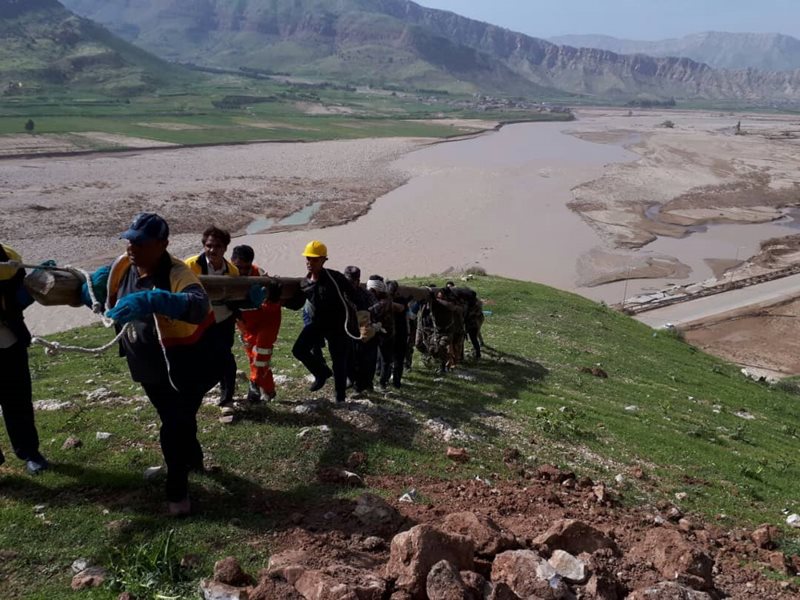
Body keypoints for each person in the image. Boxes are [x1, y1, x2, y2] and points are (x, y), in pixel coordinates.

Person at [87, 213, 217, 515]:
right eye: (130, 239)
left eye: (141, 242)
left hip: (185, 366)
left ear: (162, 245)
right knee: (177, 420)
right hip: (147, 366)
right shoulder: (122, 268)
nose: (132, 246)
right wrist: (86, 290)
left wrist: (154, 300)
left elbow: (198, 305)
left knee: (174, 425)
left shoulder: (178, 273)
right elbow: (103, 296)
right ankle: (192, 458)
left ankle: (177, 492)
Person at [0, 244, 49, 474]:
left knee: (18, 400)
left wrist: (37, 282)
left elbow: (18, 297)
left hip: (9, 341)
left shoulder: (8, 258)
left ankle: (30, 452)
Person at [291, 241, 357, 403]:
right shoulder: (305, 283)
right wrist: (276, 296)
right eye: (308, 259)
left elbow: (354, 295)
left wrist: (363, 318)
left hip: (338, 325)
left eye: (314, 259)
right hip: (317, 324)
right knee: (299, 350)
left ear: (323, 260)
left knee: (339, 361)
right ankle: (321, 372)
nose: (310, 263)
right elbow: (295, 304)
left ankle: (340, 397)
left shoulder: (335, 277)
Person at [185, 227, 239, 406]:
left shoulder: (232, 271)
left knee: (225, 358)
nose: (212, 250)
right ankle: (192, 397)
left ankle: (227, 400)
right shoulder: (190, 266)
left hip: (223, 320)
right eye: (208, 245)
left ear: (225, 248)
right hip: (198, 321)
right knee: (196, 358)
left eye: (217, 246)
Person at [230, 245, 282, 404]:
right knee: (255, 358)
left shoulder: (260, 276)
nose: (243, 271)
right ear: (232, 261)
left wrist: (269, 298)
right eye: (239, 267)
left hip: (267, 320)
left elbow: (273, 303)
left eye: (246, 267)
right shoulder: (226, 275)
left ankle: (254, 384)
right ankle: (269, 390)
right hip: (246, 324)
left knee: (261, 354)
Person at [343, 266, 377, 394]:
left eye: (352, 282)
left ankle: (362, 386)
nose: (349, 285)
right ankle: (352, 380)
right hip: (347, 332)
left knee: (364, 361)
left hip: (364, 333)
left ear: (357, 281)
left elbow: (375, 309)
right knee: (347, 359)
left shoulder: (366, 295)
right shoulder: (341, 294)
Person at [387, 281, 411, 388]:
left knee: (397, 359)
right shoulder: (397, 300)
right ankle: (389, 379)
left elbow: (402, 309)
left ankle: (396, 382)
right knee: (390, 359)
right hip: (390, 334)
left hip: (399, 334)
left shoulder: (401, 301)